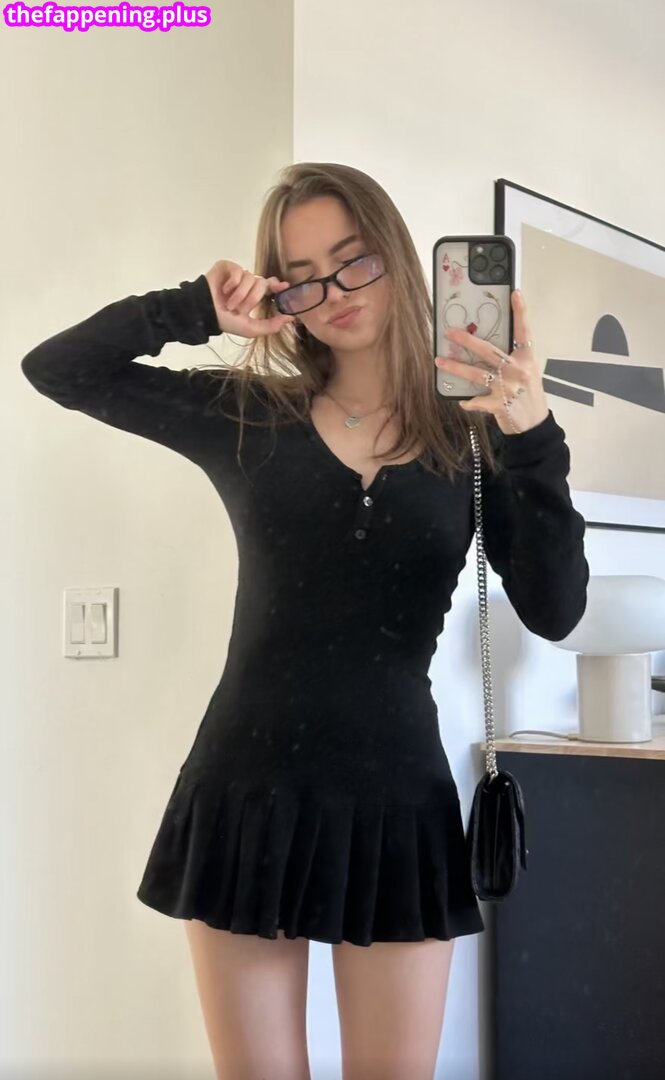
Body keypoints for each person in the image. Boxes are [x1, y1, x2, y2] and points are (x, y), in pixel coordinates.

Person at [21, 161, 589, 1080]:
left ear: (398, 257)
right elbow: (56, 368)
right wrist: (193, 308)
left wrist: (530, 434)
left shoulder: (473, 433)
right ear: (277, 291)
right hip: (245, 790)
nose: (334, 292)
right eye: (303, 275)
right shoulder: (248, 412)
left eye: (354, 259)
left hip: (397, 801)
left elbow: (557, 610)